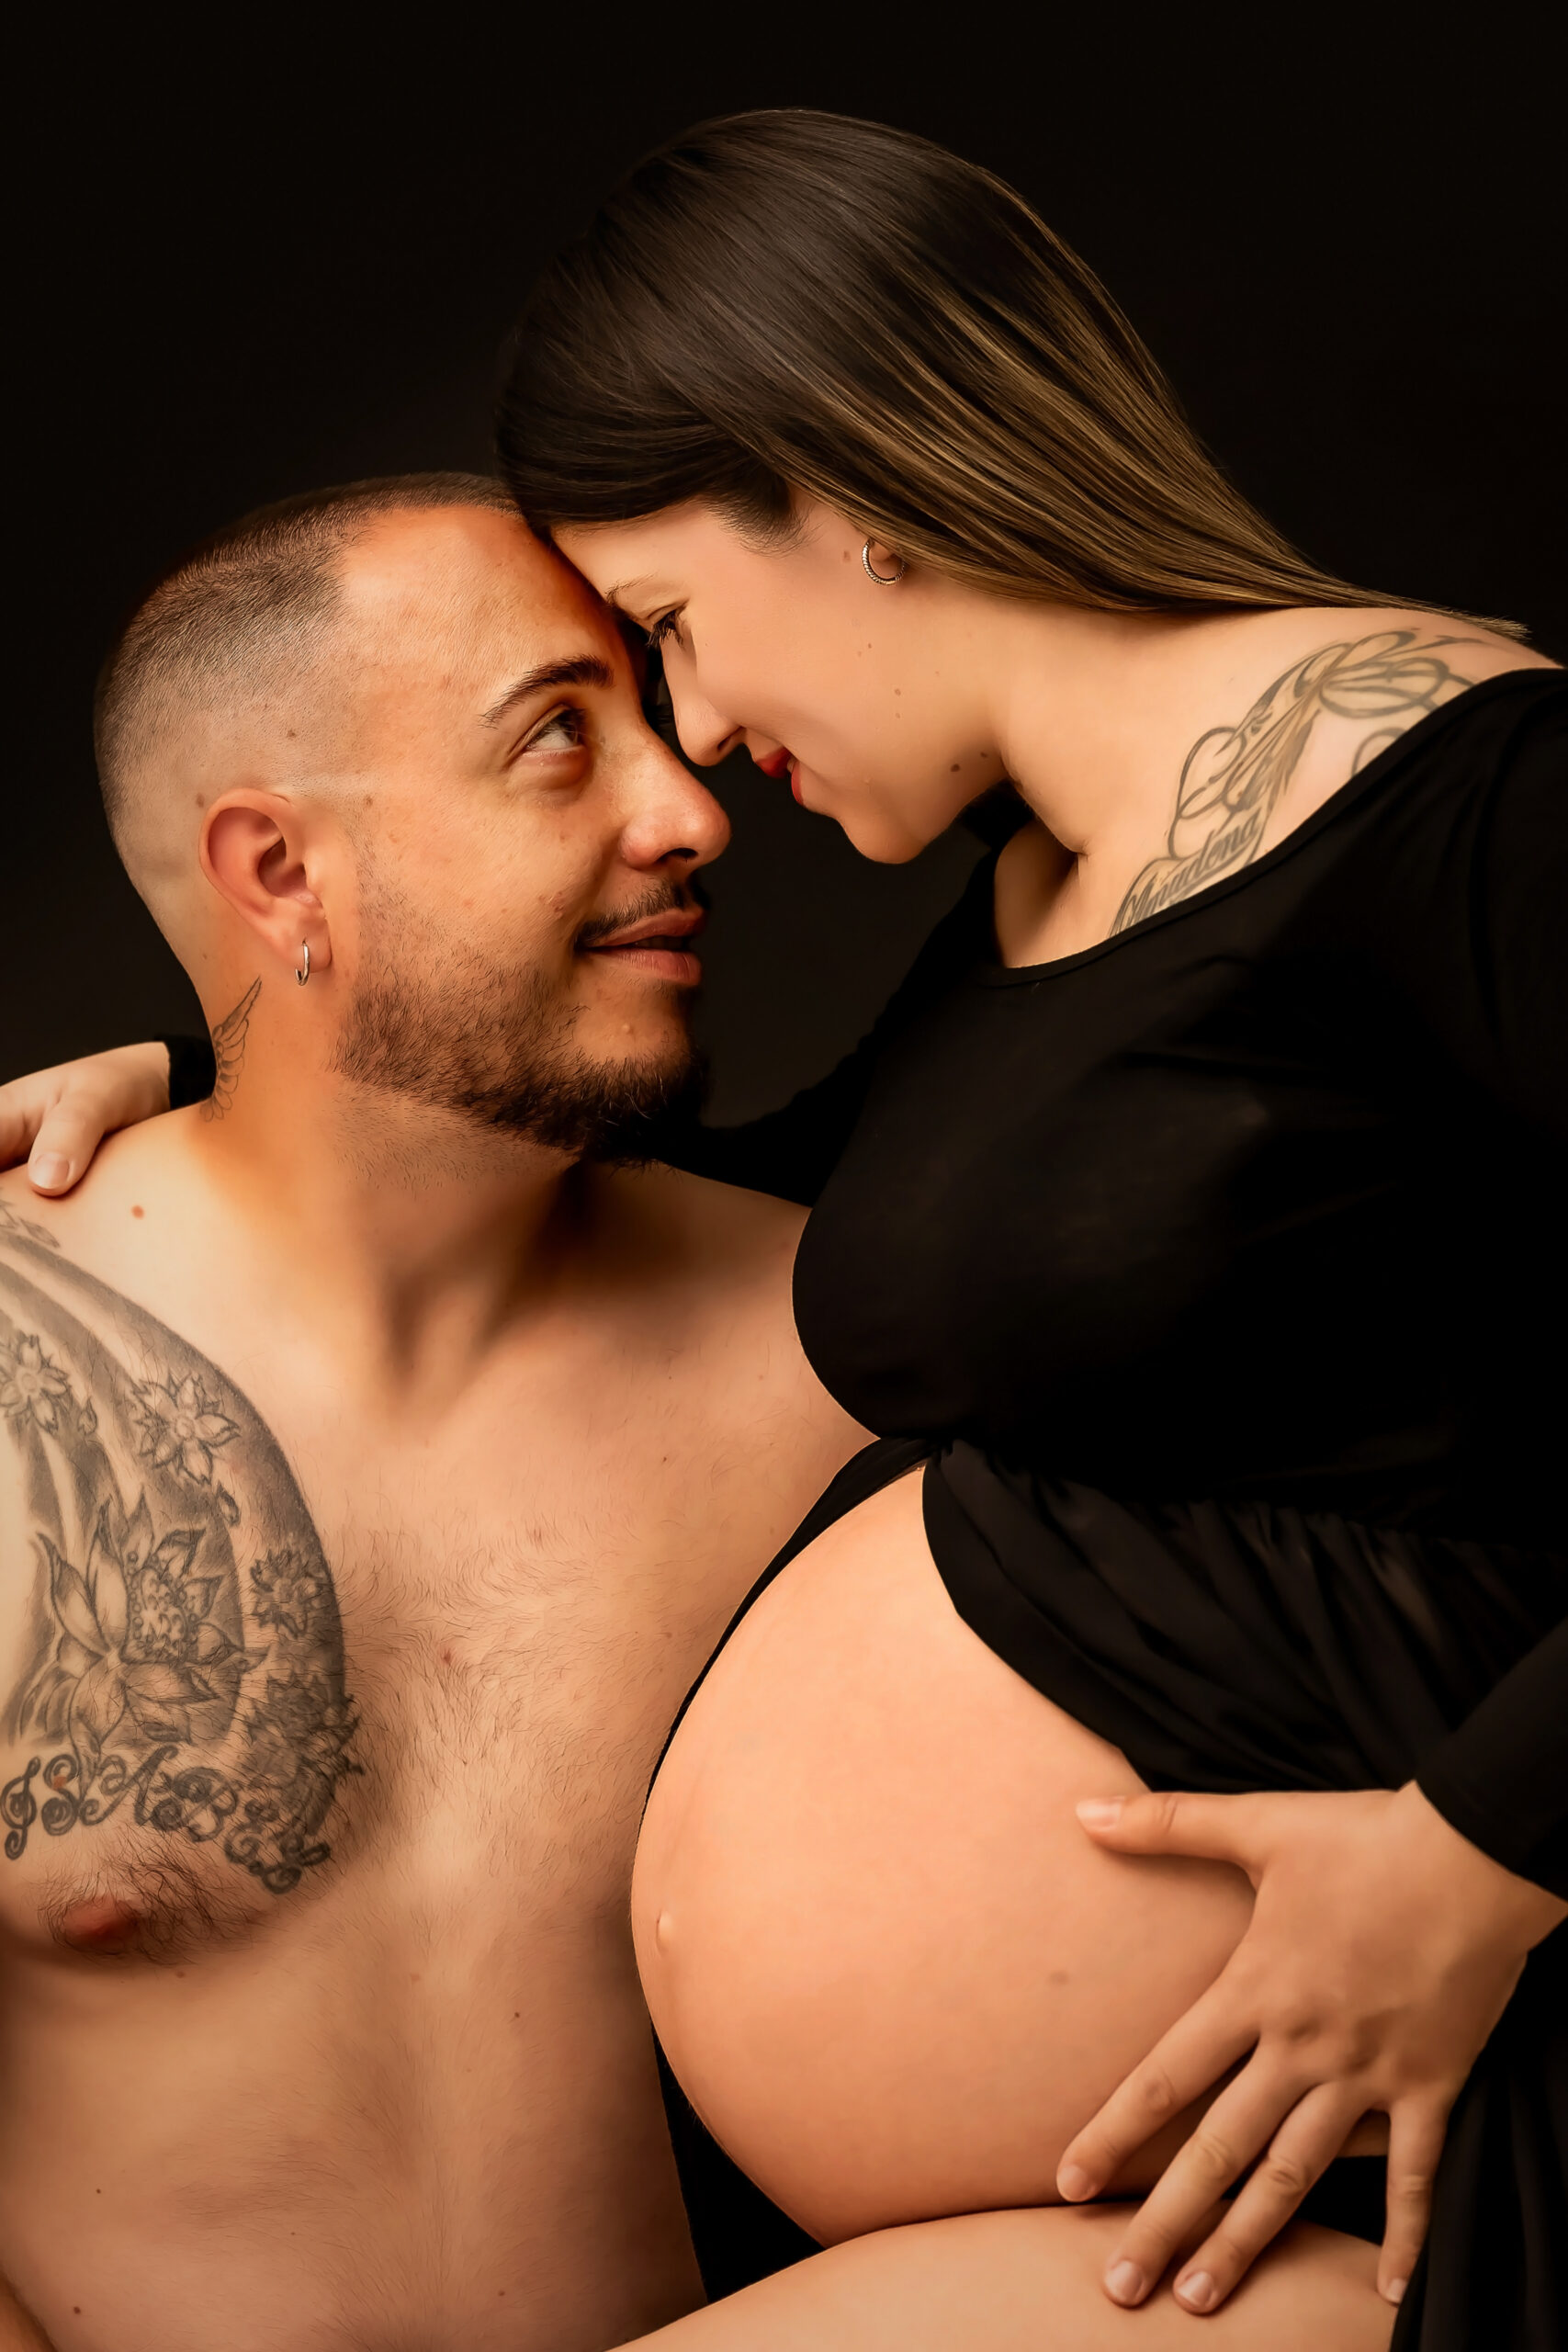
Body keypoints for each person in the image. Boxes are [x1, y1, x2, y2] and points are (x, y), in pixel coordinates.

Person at [8, 109, 1565, 2352]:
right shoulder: (1033, 908)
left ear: (850, 502)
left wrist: (1480, 1847)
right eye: (587, 714)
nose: (698, 767)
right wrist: (205, 1067)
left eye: (665, 642)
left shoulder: (1474, 790)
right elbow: (836, 1187)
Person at [0, 472, 866, 2351]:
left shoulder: (850, 1355)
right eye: (559, 739)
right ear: (279, 875)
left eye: (657, 717)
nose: (691, 809)